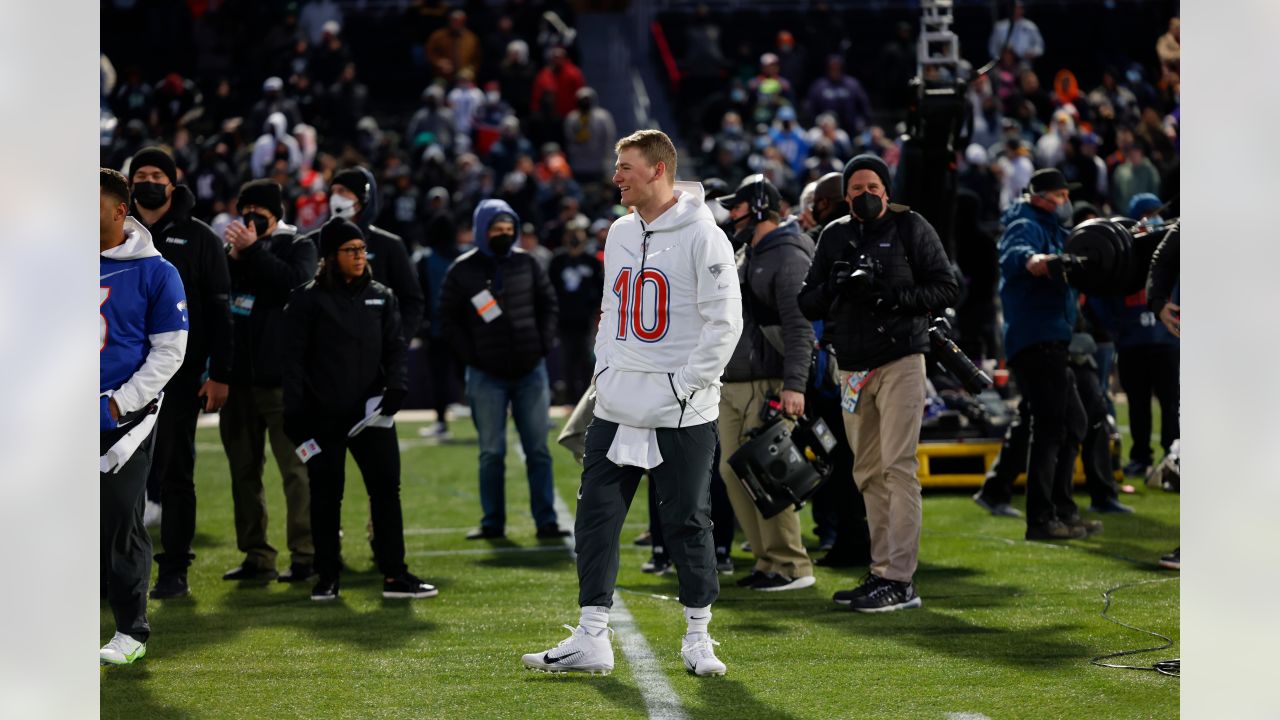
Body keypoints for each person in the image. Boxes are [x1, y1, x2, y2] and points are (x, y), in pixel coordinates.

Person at [522, 129, 742, 677]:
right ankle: (592, 635)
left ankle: (698, 638)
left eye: (626, 166)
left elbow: (725, 323)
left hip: (680, 408)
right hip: (618, 401)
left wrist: (685, 385)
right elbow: (610, 311)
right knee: (596, 517)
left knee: (688, 521)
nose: (616, 176)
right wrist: (605, 370)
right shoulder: (620, 231)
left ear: (659, 171)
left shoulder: (704, 234)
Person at [798, 154, 959, 612]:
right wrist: (836, 285)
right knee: (867, 471)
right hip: (851, 367)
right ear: (844, 195)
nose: (864, 195)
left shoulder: (912, 228)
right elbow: (807, 301)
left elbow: (946, 288)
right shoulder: (834, 235)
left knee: (898, 467)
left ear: (887, 191)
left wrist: (890, 295)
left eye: (873, 187)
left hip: (900, 360)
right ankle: (881, 569)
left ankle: (900, 578)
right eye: (856, 189)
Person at [281, 218, 438, 602]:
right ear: (330, 257)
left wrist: (398, 386)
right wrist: (296, 414)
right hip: (323, 417)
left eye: (361, 249)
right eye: (350, 250)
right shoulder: (307, 299)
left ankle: (394, 574)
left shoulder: (382, 295)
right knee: (325, 495)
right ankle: (327, 576)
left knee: (386, 492)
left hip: (372, 416)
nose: (359, 256)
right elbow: (293, 361)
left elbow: (396, 347)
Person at [126, 148, 234, 600]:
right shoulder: (109, 233)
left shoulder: (201, 238)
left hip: (179, 376)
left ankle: (174, 568)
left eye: (157, 174)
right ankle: (112, 570)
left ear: (174, 182)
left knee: (175, 472)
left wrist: (219, 373)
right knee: (116, 476)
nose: (149, 181)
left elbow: (220, 311)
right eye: (141, 174)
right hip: (117, 379)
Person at [99, 168, 188, 665]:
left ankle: (130, 630)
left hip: (122, 419)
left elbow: (169, 353)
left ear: (119, 211)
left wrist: (118, 403)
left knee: (119, 520)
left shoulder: (157, 271)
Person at [439, 199, 566, 541]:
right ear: (482, 230)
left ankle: (547, 521)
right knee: (491, 452)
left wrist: (542, 344)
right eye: (497, 229)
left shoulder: (528, 264)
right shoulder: (462, 270)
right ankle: (492, 522)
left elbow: (548, 304)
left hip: (530, 369)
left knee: (538, 450)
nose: (505, 235)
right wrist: (472, 356)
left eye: (509, 229)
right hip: (485, 374)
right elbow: (447, 319)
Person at [713, 174, 816, 591]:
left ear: (757, 207)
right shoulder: (748, 252)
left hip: (767, 380)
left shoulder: (788, 255)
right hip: (735, 379)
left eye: (737, 206)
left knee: (771, 475)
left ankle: (792, 565)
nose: (731, 214)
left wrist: (795, 384)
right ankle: (766, 560)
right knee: (732, 471)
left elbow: (798, 326)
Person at [994, 168, 1101, 541]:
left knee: (1074, 423)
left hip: (1052, 339)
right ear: (1040, 197)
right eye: (1058, 195)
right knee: (1052, 427)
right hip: (1035, 340)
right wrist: (1036, 261)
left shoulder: (1054, 229)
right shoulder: (1024, 224)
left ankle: (1062, 511)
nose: (1064, 200)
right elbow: (1016, 256)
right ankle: (1041, 519)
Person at [220, 179, 319, 583]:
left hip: (282, 383)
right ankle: (257, 555)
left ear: (275, 213)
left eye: (257, 212)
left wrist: (253, 250)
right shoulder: (231, 254)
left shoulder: (299, 246)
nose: (249, 219)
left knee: (295, 472)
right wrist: (235, 256)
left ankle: (306, 555)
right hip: (238, 381)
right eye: (243, 211)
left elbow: (294, 286)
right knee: (243, 472)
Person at [320, 167, 424, 344]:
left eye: (343, 191)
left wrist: (396, 345)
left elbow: (412, 301)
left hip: (374, 353)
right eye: (333, 191)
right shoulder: (314, 241)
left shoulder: (389, 245)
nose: (335, 197)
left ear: (363, 198)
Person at [549, 217, 604, 405]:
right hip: (563, 319)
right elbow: (550, 289)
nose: (575, 238)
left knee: (587, 359)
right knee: (567, 360)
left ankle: (587, 398)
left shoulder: (591, 261)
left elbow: (600, 288)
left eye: (578, 233)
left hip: (586, 319)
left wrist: (596, 310)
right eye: (572, 233)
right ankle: (571, 399)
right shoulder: (557, 260)